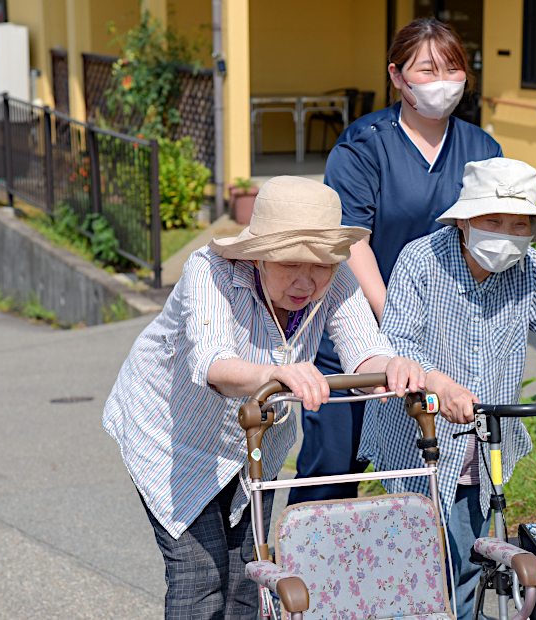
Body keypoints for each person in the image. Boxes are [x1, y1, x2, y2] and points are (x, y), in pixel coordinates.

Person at [102, 176, 426, 620]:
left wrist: (390, 366)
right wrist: (274, 372)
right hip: (171, 432)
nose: (307, 280)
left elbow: (364, 351)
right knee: (199, 577)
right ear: (260, 254)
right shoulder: (210, 270)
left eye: (321, 265)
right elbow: (213, 363)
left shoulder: (338, 277)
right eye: (291, 262)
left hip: (255, 440)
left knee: (247, 575)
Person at [359, 158, 536, 619]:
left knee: (471, 560)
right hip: (418, 443)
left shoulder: (529, 268)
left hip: (485, 442)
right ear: (465, 220)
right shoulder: (422, 260)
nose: (507, 232)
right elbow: (399, 342)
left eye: (518, 224)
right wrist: (438, 382)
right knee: (418, 565)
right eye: (494, 220)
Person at [291, 17, 504, 505]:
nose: (443, 81)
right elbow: (352, 241)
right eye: (427, 70)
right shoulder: (365, 144)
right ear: (397, 75)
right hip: (357, 335)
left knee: (425, 477)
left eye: (453, 69)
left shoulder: (481, 149)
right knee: (331, 471)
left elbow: (492, 238)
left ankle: (412, 579)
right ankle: (303, 576)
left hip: (441, 343)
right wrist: (394, 321)